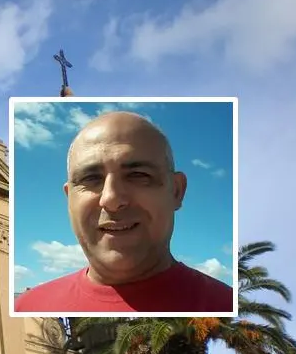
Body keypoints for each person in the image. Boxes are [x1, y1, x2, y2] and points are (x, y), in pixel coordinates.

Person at [15, 111, 233, 313]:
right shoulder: (28, 306)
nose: (111, 199)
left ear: (176, 191)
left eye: (138, 175)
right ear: (69, 198)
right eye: (91, 178)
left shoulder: (227, 307)